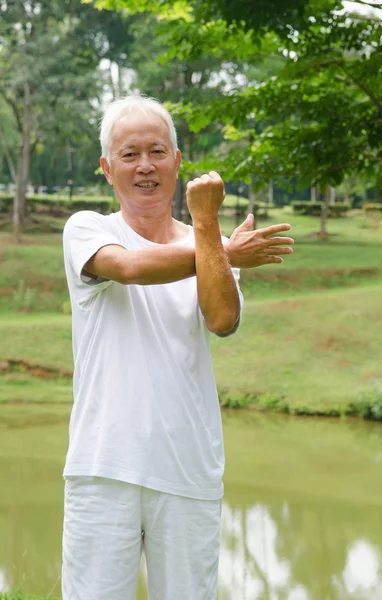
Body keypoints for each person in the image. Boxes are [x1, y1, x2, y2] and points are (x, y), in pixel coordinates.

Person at [61, 94, 294, 600]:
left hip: (187, 467)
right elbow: (127, 268)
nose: (145, 166)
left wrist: (209, 230)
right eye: (129, 154)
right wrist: (224, 249)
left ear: (178, 161)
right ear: (106, 168)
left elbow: (223, 320)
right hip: (105, 466)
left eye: (157, 151)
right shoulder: (89, 230)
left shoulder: (207, 241)